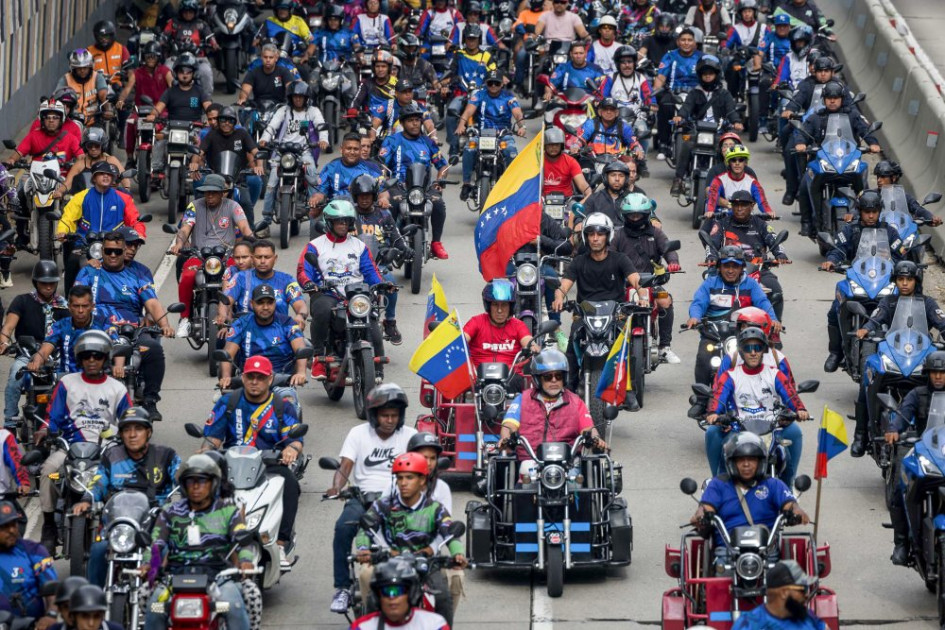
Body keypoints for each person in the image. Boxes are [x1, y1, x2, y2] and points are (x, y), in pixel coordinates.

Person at [37, 330, 132, 552]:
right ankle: (49, 526)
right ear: (80, 358)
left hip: (106, 450)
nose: (92, 360)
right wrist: (45, 430)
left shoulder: (117, 388)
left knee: (123, 482)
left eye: (97, 356)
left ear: (105, 358)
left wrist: (126, 437)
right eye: (87, 356)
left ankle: (121, 529)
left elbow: (129, 420)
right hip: (70, 448)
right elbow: (53, 415)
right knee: (48, 472)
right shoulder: (67, 383)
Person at [204, 354, 302, 568]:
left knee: (291, 484)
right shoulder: (228, 401)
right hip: (232, 462)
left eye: (260, 377)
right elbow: (212, 437)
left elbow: (295, 440)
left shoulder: (282, 405)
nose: (255, 382)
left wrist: (290, 450)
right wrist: (204, 452)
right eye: (250, 377)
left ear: (270, 379)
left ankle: (281, 544)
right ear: (243, 378)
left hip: (269, 462)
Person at [327, 384, 417, 613]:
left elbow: (422, 468)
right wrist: (336, 487)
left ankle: (421, 579)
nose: (390, 420)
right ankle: (343, 588)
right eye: (385, 415)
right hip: (362, 498)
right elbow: (345, 465)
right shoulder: (358, 434)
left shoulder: (410, 436)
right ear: (374, 415)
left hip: (400, 499)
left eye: (394, 416)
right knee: (343, 528)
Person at [142, 454, 253, 630]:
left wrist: (246, 561)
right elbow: (157, 544)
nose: (195, 487)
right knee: (154, 607)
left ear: (213, 483)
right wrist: (149, 565)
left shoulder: (228, 511)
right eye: (190, 481)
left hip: (219, 577)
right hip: (175, 577)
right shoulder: (170, 512)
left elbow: (244, 541)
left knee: (233, 606)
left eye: (202, 481)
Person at [354, 452, 466, 626]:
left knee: (442, 597)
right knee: (374, 598)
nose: (403, 483)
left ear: (422, 480)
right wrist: (363, 549)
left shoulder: (435, 508)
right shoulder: (383, 504)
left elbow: (449, 533)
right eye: (399, 478)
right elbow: (365, 529)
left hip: (426, 565)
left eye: (409, 478)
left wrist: (458, 554)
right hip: (389, 562)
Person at [76, 406, 180, 587]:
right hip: (119, 524)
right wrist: (86, 500)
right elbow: (99, 482)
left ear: (148, 432)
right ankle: (95, 601)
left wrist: (187, 486)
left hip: (155, 525)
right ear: (121, 434)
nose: (132, 435)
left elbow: (181, 477)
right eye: (127, 430)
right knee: (99, 549)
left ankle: (160, 597)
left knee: (165, 552)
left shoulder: (166, 455)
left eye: (138, 429)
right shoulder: (111, 455)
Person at [850, 260, 945, 457]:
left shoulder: (927, 303)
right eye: (900, 279)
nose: (904, 283)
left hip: (918, 359)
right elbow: (876, 317)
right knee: (868, 376)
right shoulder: (888, 302)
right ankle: (860, 435)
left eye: (908, 280)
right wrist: (865, 329)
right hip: (893, 355)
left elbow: (941, 322)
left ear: (916, 281)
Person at [74, 230, 173, 419]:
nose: (113, 255)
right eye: (108, 251)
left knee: (152, 349)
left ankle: (150, 400)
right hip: (96, 329)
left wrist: (165, 324)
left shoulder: (139, 272)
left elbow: (151, 302)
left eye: (117, 252)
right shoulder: (89, 271)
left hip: (131, 330)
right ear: (101, 251)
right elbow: (76, 299)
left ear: (123, 250)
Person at [553, 213, 641, 402]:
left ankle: (629, 388)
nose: (595, 238)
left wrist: (641, 295)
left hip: (615, 315)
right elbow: (563, 286)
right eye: (591, 233)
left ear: (607, 236)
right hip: (585, 315)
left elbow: (635, 279)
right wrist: (559, 297)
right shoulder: (578, 262)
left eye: (600, 234)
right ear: (585, 236)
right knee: (572, 346)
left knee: (627, 347)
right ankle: (569, 388)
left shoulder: (620, 259)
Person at [690, 431, 810, 566]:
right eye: (740, 460)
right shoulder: (718, 484)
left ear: (760, 462)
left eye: (752, 459)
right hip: (727, 551)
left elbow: (789, 504)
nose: (746, 464)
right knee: (719, 575)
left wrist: (796, 512)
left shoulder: (773, 484)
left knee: (784, 578)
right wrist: (701, 515)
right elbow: (705, 507)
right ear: (731, 462)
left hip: (766, 551)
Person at [296, 200, 386, 380]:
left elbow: (370, 270)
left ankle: (377, 365)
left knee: (373, 321)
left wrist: (381, 284)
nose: (343, 225)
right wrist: (309, 283)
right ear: (329, 222)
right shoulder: (315, 245)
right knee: (321, 311)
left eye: (346, 221)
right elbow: (303, 270)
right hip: (327, 293)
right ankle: (319, 359)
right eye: (339, 221)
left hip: (356, 294)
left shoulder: (358, 245)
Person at [706, 327, 809, 483]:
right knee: (719, 444)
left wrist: (800, 410)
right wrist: (714, 413)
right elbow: (718, 397)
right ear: (741, 352)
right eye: (748, 348)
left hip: (772, 428)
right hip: (739, 429)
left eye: (757, 347)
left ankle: (788, 491)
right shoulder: (730, 375)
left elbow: (790, 395)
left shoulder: (775, 374)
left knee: (792, 436)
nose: (753, 352)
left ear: (763, 350)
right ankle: (718, 486)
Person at [821, 190, 903, 374]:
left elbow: (901, 256)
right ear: (860, 211)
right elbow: (838, 249)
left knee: (902, 308)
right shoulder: (850, 229)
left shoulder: (890, 232)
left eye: (874, 211)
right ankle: (835, 353)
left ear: (880, 211)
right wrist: (832, 261)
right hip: (858, 281)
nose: (871, 215)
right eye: (867, 212)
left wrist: (900, 265)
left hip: (884, 283)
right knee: (835, 309)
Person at [171, 174, 254, 335]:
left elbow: (244, 227)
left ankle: (242, 313)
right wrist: (179, 244)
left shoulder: (233, 206)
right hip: (199, 255)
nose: (210, 196)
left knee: (240, 277)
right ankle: (185, 319)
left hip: (226, 256)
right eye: (207, 192)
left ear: (223, 192)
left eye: (214, 192)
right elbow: (185, 228)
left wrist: (251, 239)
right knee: (187, 277)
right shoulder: (194, 206)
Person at [612, 193, 682, 363]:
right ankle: (611, 343)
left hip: (651, 283)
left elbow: (668, 249)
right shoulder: (618, 235)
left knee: (666, 301)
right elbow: (610, 255)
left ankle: (665, 347)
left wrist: (673, 262)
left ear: (646, 215)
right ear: (625, 215)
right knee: (611, 308)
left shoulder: (656, 233)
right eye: (632, 215)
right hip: (624, 285)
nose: (635, 218)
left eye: (639, 215)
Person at [500, 347, 606, 458]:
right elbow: (509, 426)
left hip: (567, 465)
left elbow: (588, 428)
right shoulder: (522, 399)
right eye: (548, 376)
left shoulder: (576, 402)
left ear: (564, 378)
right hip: (529, 461)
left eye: (558, 376)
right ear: (538, 379)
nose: (554, 380)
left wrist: (596, 440)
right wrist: (506, 440)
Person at [58, 161, 148, 290]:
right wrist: (62, 231)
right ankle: (69, 300)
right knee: (72, 262)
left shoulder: (123, 198)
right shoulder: (81, 197)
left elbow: (135, 219)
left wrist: (139, 233)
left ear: (112, 178)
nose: (105, 176)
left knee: (130, 266)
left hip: (114, 244)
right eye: (101, 174)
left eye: (109, 174)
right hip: (84, 244)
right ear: (94, 178)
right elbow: (68, 217)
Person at [0, 261, 68, 429]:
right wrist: (3, 339)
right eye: (44, 282)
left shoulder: (64, 306)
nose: (48, 286)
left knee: (70, 384)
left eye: (51, 282)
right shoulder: (22, 301)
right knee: (14, 380)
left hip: (57, 357)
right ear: (36, 282)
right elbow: (8, 326)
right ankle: (9, 423)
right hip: (27, 355)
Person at [379, 104, 451, 259]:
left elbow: (443, 165)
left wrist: (440, 180)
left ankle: (436, 243)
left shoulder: (428, 142)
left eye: (417, 120)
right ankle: (389, 242)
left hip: (424, 187)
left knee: (438, 203)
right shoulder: (392, 141)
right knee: (392, 204)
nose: (415, 124)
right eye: (410, 120)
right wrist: (384, 180)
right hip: (398, 185)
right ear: (403, 123)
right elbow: (382, 164)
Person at [218, 285, 309, 407]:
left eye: (269, 303)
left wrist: (301, 373)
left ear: (275, 303)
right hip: (250, 381)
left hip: (280, 381)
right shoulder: (241, 323)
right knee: (226, 406)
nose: (265, 307)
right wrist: (226, 377)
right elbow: (228, 354)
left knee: (290, 404)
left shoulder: (287, 323)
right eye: (260, 303)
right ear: (252, 304)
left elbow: (301, 349)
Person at [706, 189, 787, 319]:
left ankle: (775, 329)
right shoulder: (721, 223)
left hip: (758, 269)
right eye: (736, 205)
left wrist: (780, 255)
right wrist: (711, 257)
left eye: (743, 205)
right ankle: (710, 325)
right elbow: (711, 244)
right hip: (728, 268)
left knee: (775, 290)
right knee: (708, 289)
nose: (739, 208)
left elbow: (774, 240)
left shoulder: (760, 224)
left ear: (752, 206)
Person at [670, 55, 742, 196]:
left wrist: (737, 122)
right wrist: (680, 116)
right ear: (700, 75)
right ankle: (678, 179)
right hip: (698, 131)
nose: (708, 76)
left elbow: (731, 110)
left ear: (716, 74)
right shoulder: (695, 92)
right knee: (686, 145)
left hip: (718, 132)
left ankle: (733, 181)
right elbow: (686, 107)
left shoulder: (724, 94)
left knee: (731, 149)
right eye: (704, 74)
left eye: (710, 73)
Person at [259, 81, 328, 225]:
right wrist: (264, 139)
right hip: (282, 151)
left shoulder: (312, 111)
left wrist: (323, 140)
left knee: (312, 176)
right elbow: (272, 126)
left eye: (301, 97)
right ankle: (265, 220)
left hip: (304, 151)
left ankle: (314, 214)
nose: (298, 99)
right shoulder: (283, 111)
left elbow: (321, 126)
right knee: (271, 182)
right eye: (295, 96)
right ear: (290, 97)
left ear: (306, 97)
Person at [350, 175, 406, 345]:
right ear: (355, 197)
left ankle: (390, 321)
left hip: (378, 265)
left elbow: (396, 238)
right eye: (361, 196)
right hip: (350, 266)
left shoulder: (384, 215)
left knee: (390, 283)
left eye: (368, 196)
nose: (364, 199)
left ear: (374, 196)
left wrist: (404, 250)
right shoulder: (348, 215)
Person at [455, 70, 525, 201]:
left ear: (501, 84)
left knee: (511, 151)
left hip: (503, 135)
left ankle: (510, 185)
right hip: (481, 134)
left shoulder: (509, 97)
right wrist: (461, 124)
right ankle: (466, 184)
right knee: (469, 148)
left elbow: (517, 113)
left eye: (496, 83)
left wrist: (522, 126)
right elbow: (469, 110)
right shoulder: (479, 95)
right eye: (490, 83)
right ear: (486, 83)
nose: (493, 86)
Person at [191, 106, 264, 226]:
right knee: (199, 181)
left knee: (247, 198)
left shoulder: (242, 134)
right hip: (215, 177)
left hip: (238, 178)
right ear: (219, 121)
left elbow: (256, 152)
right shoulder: (212, 135)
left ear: (234, 122)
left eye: (230, 120)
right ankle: (196, 223)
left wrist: (259, 166)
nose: (226, 123)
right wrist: (194, 162)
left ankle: (250, 234)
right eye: (223, 120)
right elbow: (200, 152)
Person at [144, 54, 212, 171]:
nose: (185, 74)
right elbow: (158, 108)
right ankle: (155, 170)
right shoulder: (170, 92)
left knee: (201, 144)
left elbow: (209, 108)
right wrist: (152, 115)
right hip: (171, 127)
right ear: (176, 73)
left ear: (193, 73)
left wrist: (211, 119)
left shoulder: (200, 91)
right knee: (159, 140)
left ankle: (198, 169)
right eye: (181, 71)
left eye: (188, 71)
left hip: (194, 128)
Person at [27, 285, 113, 376]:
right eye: (76, 306)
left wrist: (118, 366)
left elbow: (117, 345)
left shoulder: (103, 324)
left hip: (97, 381)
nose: (80, 310)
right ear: (69, 307)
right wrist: (37, 361)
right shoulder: (60, 325)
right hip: (67, 380)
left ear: (92, 306)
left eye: (85, 306)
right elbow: (45, 349)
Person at [349, 556, 450, 630]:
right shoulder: (361, 627)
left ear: (411, 594)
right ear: (378, 597)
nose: (392, 597)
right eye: (386, 591)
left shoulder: (435, 625)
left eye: (398, 590)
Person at [222, 240, 307, 326]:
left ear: (275, 258)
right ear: (252, 258)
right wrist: (223, 315)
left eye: (267, 257)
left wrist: (300, 316)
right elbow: (225, 301)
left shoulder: (287, 280)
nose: (262, 261)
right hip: (246, 330)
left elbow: (301, 305)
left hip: (279, 332)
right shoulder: (240, 277)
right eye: (258, 257)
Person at [443, 26, 497, 158]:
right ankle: (454, 148)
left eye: (474, 39)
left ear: (479, 40)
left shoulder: (486, 56)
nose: (471, 42)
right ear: (464, 39)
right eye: (469, 39)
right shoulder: (459, 55)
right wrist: (444, 83)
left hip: (482, 95)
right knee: (451, 113)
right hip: (461, 94)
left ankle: (495, 146)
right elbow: (451, 72)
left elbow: (494, 73)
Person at [463, 279, 536, 376]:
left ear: (511, 307)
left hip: (510, 378)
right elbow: (462, 339)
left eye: (504, 305)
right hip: (479, 378)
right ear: (489, 306)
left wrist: (533, 347)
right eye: (495, 304)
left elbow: (528, 340)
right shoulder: (476, 321)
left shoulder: (518, 325)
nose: (500, 310)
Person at [651, 26, 703, 159]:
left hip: (695, 93)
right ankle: (664, 143)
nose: (686, 43)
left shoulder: (701, 57)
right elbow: (661, 78)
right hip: (673, 92)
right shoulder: (670, 56)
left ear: (695, 43)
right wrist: (654, 96)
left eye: (689, 40)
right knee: (665, 104)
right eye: (683, 40)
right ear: (678, 42)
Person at [0, 501, 56, 623]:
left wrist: (51, 615)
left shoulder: (36, 551)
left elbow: (52, 590)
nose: (11, 530)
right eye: (4, 526)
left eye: (13, 524)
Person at [117, 40, 174, 159]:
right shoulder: (137, 73)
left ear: (159, 57)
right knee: (129, 124)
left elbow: (173, 89)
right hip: (140, 111)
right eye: (148, 57)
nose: (151, 59)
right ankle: (129, 158)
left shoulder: (165, 72)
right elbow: (127, 89)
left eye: (153, 56)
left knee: (168, 128)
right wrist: (121, 100)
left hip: (161, 111)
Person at [732, 560, 826, 629]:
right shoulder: (749, 624)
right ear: (784, 593)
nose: (806, 595)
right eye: (802, 590)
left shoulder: (807, 616)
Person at [309, 133, 384, 212]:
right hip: (335, 212)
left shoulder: (371, 168)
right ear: (341, 149)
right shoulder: (330, 168)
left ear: (360, 150)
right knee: (314, 211)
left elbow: (383, 190)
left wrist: (383, 198)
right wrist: (316, 199)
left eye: (356, 149)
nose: (352, 152)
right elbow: (321, 191)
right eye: (349, 148)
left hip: (363, 212)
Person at [162, 0, 218, 93]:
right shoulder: (173, 23)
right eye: (185, 12)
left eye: (191, 12)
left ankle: (206, 99)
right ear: (181, 12)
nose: (188, 14)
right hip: (176, 57)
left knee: (206, 71)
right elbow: (164, 35)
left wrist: (214, 44)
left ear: (195, 12)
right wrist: (161, 42)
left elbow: (210, 36)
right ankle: (168, 97)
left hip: (198, 58)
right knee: (167, 69)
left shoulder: (201, 24)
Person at [60, 129, 130, 195]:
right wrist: (59, 192)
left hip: (109, 200)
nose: (93, 149)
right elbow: (67, 183)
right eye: (90, 146)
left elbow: (125, 179)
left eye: (97, 146)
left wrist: (127, 191)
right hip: (85, 201)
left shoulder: (111, 160)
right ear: (85, 147)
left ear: (102, 146)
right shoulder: (80, 164)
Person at [874, 160, 943, 226]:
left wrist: (931, 217)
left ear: (893, 178)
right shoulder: (872, 195)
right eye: (878, 176)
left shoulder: (904, 197)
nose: (879, 180)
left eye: (883, 177)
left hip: (900, 232)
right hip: (878, 233)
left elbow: (917, 209)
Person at [576, 97, 645, 162]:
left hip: (617, 163)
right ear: (600, 112)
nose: (608, 112)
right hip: (593, 161)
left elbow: (633, 142)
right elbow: (580, 139)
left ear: (617, 113)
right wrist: (576, 146)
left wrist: (638, 149)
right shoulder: (591, 124)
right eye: (605, 109)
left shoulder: (623, 127)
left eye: (612, 109)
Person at [722, 0, 766, 99]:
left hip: (760, 60)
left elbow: (769, 41)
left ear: (754, 12)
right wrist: (724, 48)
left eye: (749, 11)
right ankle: (733, 98)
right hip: (741, 60)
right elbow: (727, 42)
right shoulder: (735, 28)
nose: (747, 14)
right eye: (744, 11)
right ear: (740, 13)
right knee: (732, 70)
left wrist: (761, 51)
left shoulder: (763, 28)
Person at [371, 79, 437, 143]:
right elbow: (375, 122)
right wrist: (372, 137)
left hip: (413, 144)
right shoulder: (387, 105)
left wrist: (433, 137)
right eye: (404, 92)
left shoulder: (418, 106)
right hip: (390, 144)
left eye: (410, 91)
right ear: (396, 93)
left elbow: (429, 123)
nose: (408, 94)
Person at [54, 49, 108, 126]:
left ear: (90, 67)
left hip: (94, 121)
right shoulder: (65, 79)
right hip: (71, 121)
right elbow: (57, 95)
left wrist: (108, 109)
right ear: (73, 68)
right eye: (79, 68)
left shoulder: (97, 77)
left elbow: (104, 95)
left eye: (85, 67)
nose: (82, 71)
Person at [542, 127, 591, 199]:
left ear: (561, 146)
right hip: (542, 201)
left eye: (557, 145)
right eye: (550, 144)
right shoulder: (538, 161)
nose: (553, 147)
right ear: (545, 146)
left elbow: (583, 185)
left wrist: (588, 196)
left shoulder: (570, 161)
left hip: (567, 201)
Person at [350, 50, 398, 123]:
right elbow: (356, 100)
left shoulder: (396, 83)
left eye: (383, 66)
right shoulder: (366, 83)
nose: (380, 69)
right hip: (370, 121)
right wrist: (353, 109)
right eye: (377, 66)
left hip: (392, 121)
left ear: (389, 68)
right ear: (373, 68)